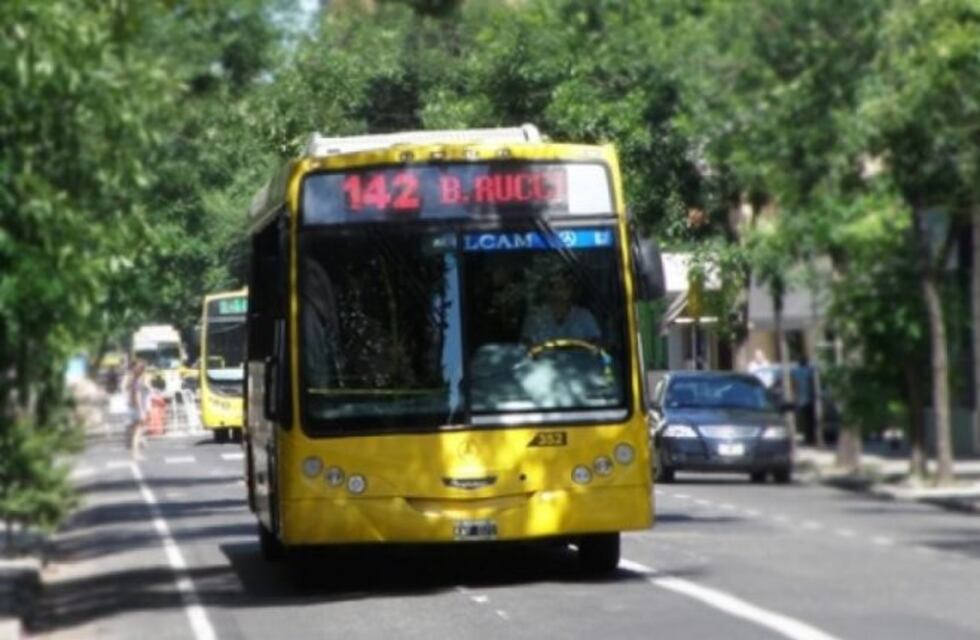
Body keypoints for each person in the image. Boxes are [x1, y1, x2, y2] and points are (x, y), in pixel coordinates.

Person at [520, 268, 601, 345]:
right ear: (548, 291)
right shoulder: (536, 318)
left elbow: (595, 343)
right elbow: (527, 346)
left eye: (565, 286)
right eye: (555, 286)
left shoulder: (584, 316)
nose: (560, 291)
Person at [126, 360, 150, 459]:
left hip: (132, 407)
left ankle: (136, 452)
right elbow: (138, 396)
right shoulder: (138, 381)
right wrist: (141, 411)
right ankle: (135, 454)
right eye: (143, 369)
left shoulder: (133, 380)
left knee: (136, 432)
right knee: (137, 433)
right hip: (137, 408)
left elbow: (130, 393)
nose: (145, 371)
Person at [792, 356, 816, 445]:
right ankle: (810, 438)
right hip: (809, 399)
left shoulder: (795, 371)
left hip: (799, 398)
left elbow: (793, 382)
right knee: (810, 420)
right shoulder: (809, 371)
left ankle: (805, 437)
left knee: (802, 419)